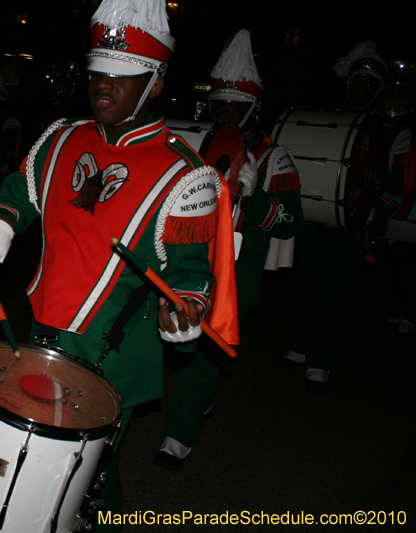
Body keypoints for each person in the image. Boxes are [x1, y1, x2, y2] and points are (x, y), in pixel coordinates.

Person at [0, 1, 239, 529]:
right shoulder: (62, 136)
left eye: (123, 77)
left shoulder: (186, 174)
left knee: (90, 471)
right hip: (46, 330)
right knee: (39, 460)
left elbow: (190, 270)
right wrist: (0, 222)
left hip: (113, 349)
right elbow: (19, 192)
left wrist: (186, 306)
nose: (104, 87)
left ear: (156, 83)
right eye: (98, 74)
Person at [154, 29, 303, 471]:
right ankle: (197, 401)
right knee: (182, 342)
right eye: (217, 103)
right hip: (186, 258)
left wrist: (254, 197)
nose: (221, 113)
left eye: (232, 106)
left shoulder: (274, 157)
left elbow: (291, 221)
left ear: (253, 108)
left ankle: (178, 435)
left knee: (203, 349)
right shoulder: (197, 141)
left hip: (235, 273)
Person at [279, 41, 413, 393]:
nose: (361, 89)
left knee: (331, 291)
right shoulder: (335, 120)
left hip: (354, 226)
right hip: (319, 217)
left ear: (379, 89)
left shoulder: (393, 130)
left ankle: (321, 359)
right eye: (356, 83)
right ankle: (303, 343)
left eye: (369, 84)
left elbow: (399, 183)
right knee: (306, 283)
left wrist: (374, 210)